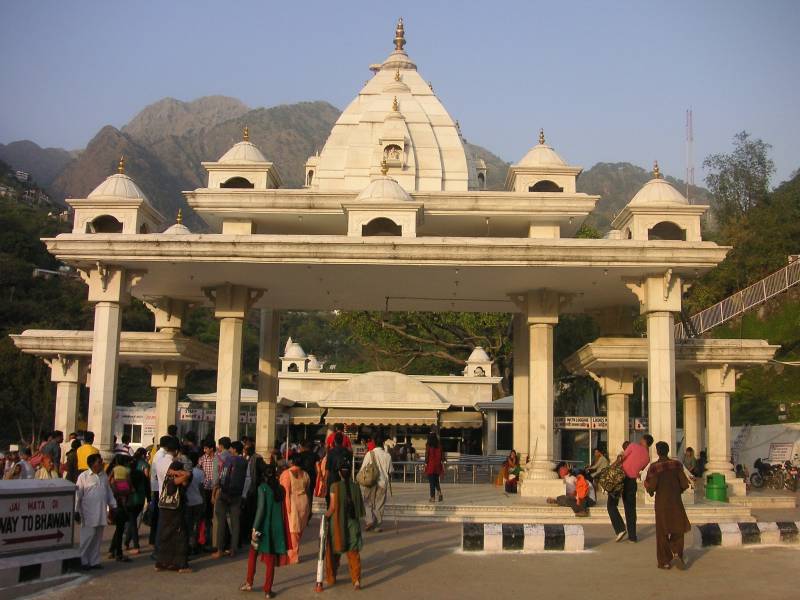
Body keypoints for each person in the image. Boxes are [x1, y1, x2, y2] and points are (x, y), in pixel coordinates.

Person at [240, 464, 290, 598]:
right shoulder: (281, 489)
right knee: (270, 561)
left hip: (262, 528)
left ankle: (249, 583)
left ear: (263, 476)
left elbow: (261, 510)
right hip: (275, 529)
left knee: (253, 553)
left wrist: (255, 528)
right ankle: (268, 590)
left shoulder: (262, 488)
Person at [644, 441, 691, 570]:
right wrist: (677, 491)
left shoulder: (654, 467)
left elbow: (650, 486)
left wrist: (650, 491)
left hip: (661, 504)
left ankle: (664, 561)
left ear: (658, 452)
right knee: (678, 529)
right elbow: (684, 484)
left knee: (662, 532)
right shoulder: (676, 464)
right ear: (668, 450)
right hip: (676, 502)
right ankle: (676, 552)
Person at [324, 463, 365, 590]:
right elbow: (360, 508)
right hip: (353, 523)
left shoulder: (334, 487)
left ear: (340, 473)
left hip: (337, 523)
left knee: (333, 551)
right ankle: (356, 580)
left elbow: (332, 508)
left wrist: (324, 517)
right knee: (353, 552)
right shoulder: (356, 487)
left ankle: (331, 578)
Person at [608, 434, 653, 543]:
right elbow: (639, 470)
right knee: (630, 509)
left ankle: (620, 529)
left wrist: (611, 468)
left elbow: (621, 458)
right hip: (632, 482)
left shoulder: (633, 446)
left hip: (620, 477)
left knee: (611, 505)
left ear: (643, 440)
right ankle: (632, 537)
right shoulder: (647, 458)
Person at [76, 453, 117, 570]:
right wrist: (76, 510)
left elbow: (108, 491)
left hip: (101, 512)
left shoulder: (103, 476)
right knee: (88, 537)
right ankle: (83, 561)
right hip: (88, 512)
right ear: (93, 464)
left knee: (97, 538)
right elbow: (78, 494)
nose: (102, 464)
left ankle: (94, 561)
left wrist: (113, 504)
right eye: (99, 462)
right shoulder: (83, 477)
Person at [155, 460, 193, 573]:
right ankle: (181, 564)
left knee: (166, 536)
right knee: (180, 536)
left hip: (165, 510)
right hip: (175, 511)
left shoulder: (167, 479)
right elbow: (188, 475)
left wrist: (173, 472)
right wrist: (178, 472)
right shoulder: (174, 480)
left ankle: (162, 562)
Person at [212, 440, 247, 558]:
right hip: (237, 494)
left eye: (232, 448)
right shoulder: (244, 461)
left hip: (225, 493)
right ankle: (233, 549)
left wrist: (218, 489)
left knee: (221, 521)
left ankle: (220, 549)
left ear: (234, 450)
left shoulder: (229, 459)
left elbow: (223, 475)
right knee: (235, 523)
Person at [279, 454, 310, 563]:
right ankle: (293, 553)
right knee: (299, 529)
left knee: (293, 531)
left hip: (292, 501)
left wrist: (287, 508)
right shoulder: (305, 474)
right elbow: (307, 488)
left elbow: (286, 492)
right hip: (304, 501)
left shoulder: (286, 474)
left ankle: (293, 556)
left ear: (292, 462)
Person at [359, 436, 393, 531]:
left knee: (367, 502)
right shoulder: (387, 456)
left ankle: (369, 521)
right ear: (383, 443)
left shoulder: (369, 454)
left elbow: (363, 468)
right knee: (379, 504)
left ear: (374, 442)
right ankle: (377, 525)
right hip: (382, 483)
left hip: (370, 482)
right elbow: (390, 471)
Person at [107, 455, 132, 562]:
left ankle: (114, 550)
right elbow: (129, 482)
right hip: (123, 497)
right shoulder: (127, 470)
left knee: (119, 528)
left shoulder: (114, 470)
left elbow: (109, 480)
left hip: (116, 498)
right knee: (120, 527)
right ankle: (117, 552)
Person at [124, 447, 149, 554]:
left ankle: (135, 545)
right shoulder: (143, 471)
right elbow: (147, 484)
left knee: (132, 522)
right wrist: (149, 498)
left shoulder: (128, 473)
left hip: (130, 500)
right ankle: (127, 541)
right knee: (133, 520)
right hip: (140, 499)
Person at [184, 452, 205, 555]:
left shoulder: (184, 472)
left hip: (188, 502)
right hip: (198, 501)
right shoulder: (200, 472)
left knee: (188, 525)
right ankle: (194, 545)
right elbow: (202, 489)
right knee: (196, 524)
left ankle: (188, 545)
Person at [198, 439, 217, 550]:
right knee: (206, 515)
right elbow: (199, 471)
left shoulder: (217, 458)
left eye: (206, 448)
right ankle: (206, 538)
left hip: (214, 488)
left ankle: (212, 539)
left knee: (214, 515)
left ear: (211, 448)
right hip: (205, 489)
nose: (204, 450)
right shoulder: (202, 459)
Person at [325, 432, 353, 505]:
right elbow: (350, 467)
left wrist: (325, 482)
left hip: (333, 479)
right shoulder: (348, 452)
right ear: (342, 440)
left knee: (330, 501)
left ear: (334, 441)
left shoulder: (331, 452)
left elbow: (327, 468)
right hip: (344, 479)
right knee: (342, 501)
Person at [297, 439, 318, 508]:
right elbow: (317, 468)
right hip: (312, 476)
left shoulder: (299, 455)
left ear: (303, 447)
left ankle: (303, 507)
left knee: (302, 493)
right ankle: (309, 508)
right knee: (310, 493)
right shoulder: (315, 455)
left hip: (301, 477)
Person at [424, 432, 444, 503]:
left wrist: (425, 463)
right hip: (437, 465)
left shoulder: (428, 445)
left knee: (431, 482)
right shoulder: (439, 445)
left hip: (431, 465)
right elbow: (442, 455)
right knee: (436, 481)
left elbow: (427, 455)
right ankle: (440, 493)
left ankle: (432, 497)